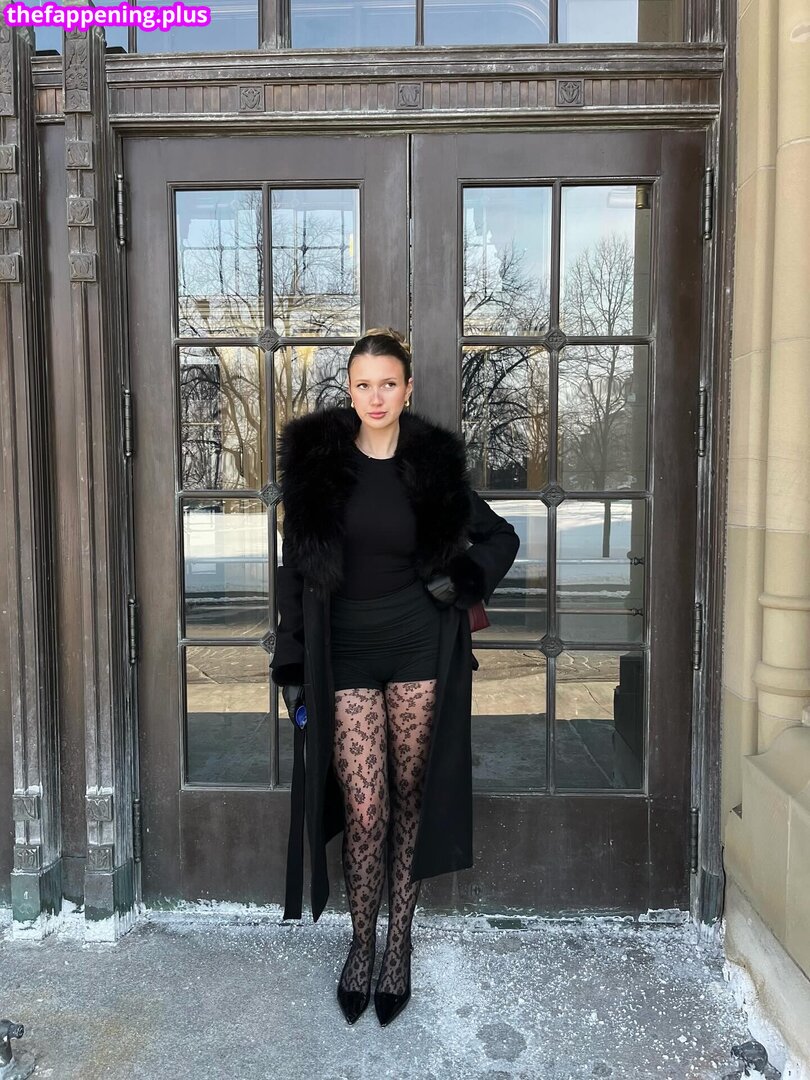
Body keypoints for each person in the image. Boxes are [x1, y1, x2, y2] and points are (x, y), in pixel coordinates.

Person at [270, 327, 519, 1027]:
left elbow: (500, 537)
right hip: (344, 653)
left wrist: (462, 580)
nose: (375, 397)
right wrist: (291, 664)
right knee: (366, 808)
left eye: (388, 383)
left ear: (408, 389)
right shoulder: (319, 469)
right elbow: (294, 574)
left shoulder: (432, 467)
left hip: (418, 647)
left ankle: (398, 945)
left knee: (411, 799)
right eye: (363, 384)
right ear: (348, 391)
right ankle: (361, 943)